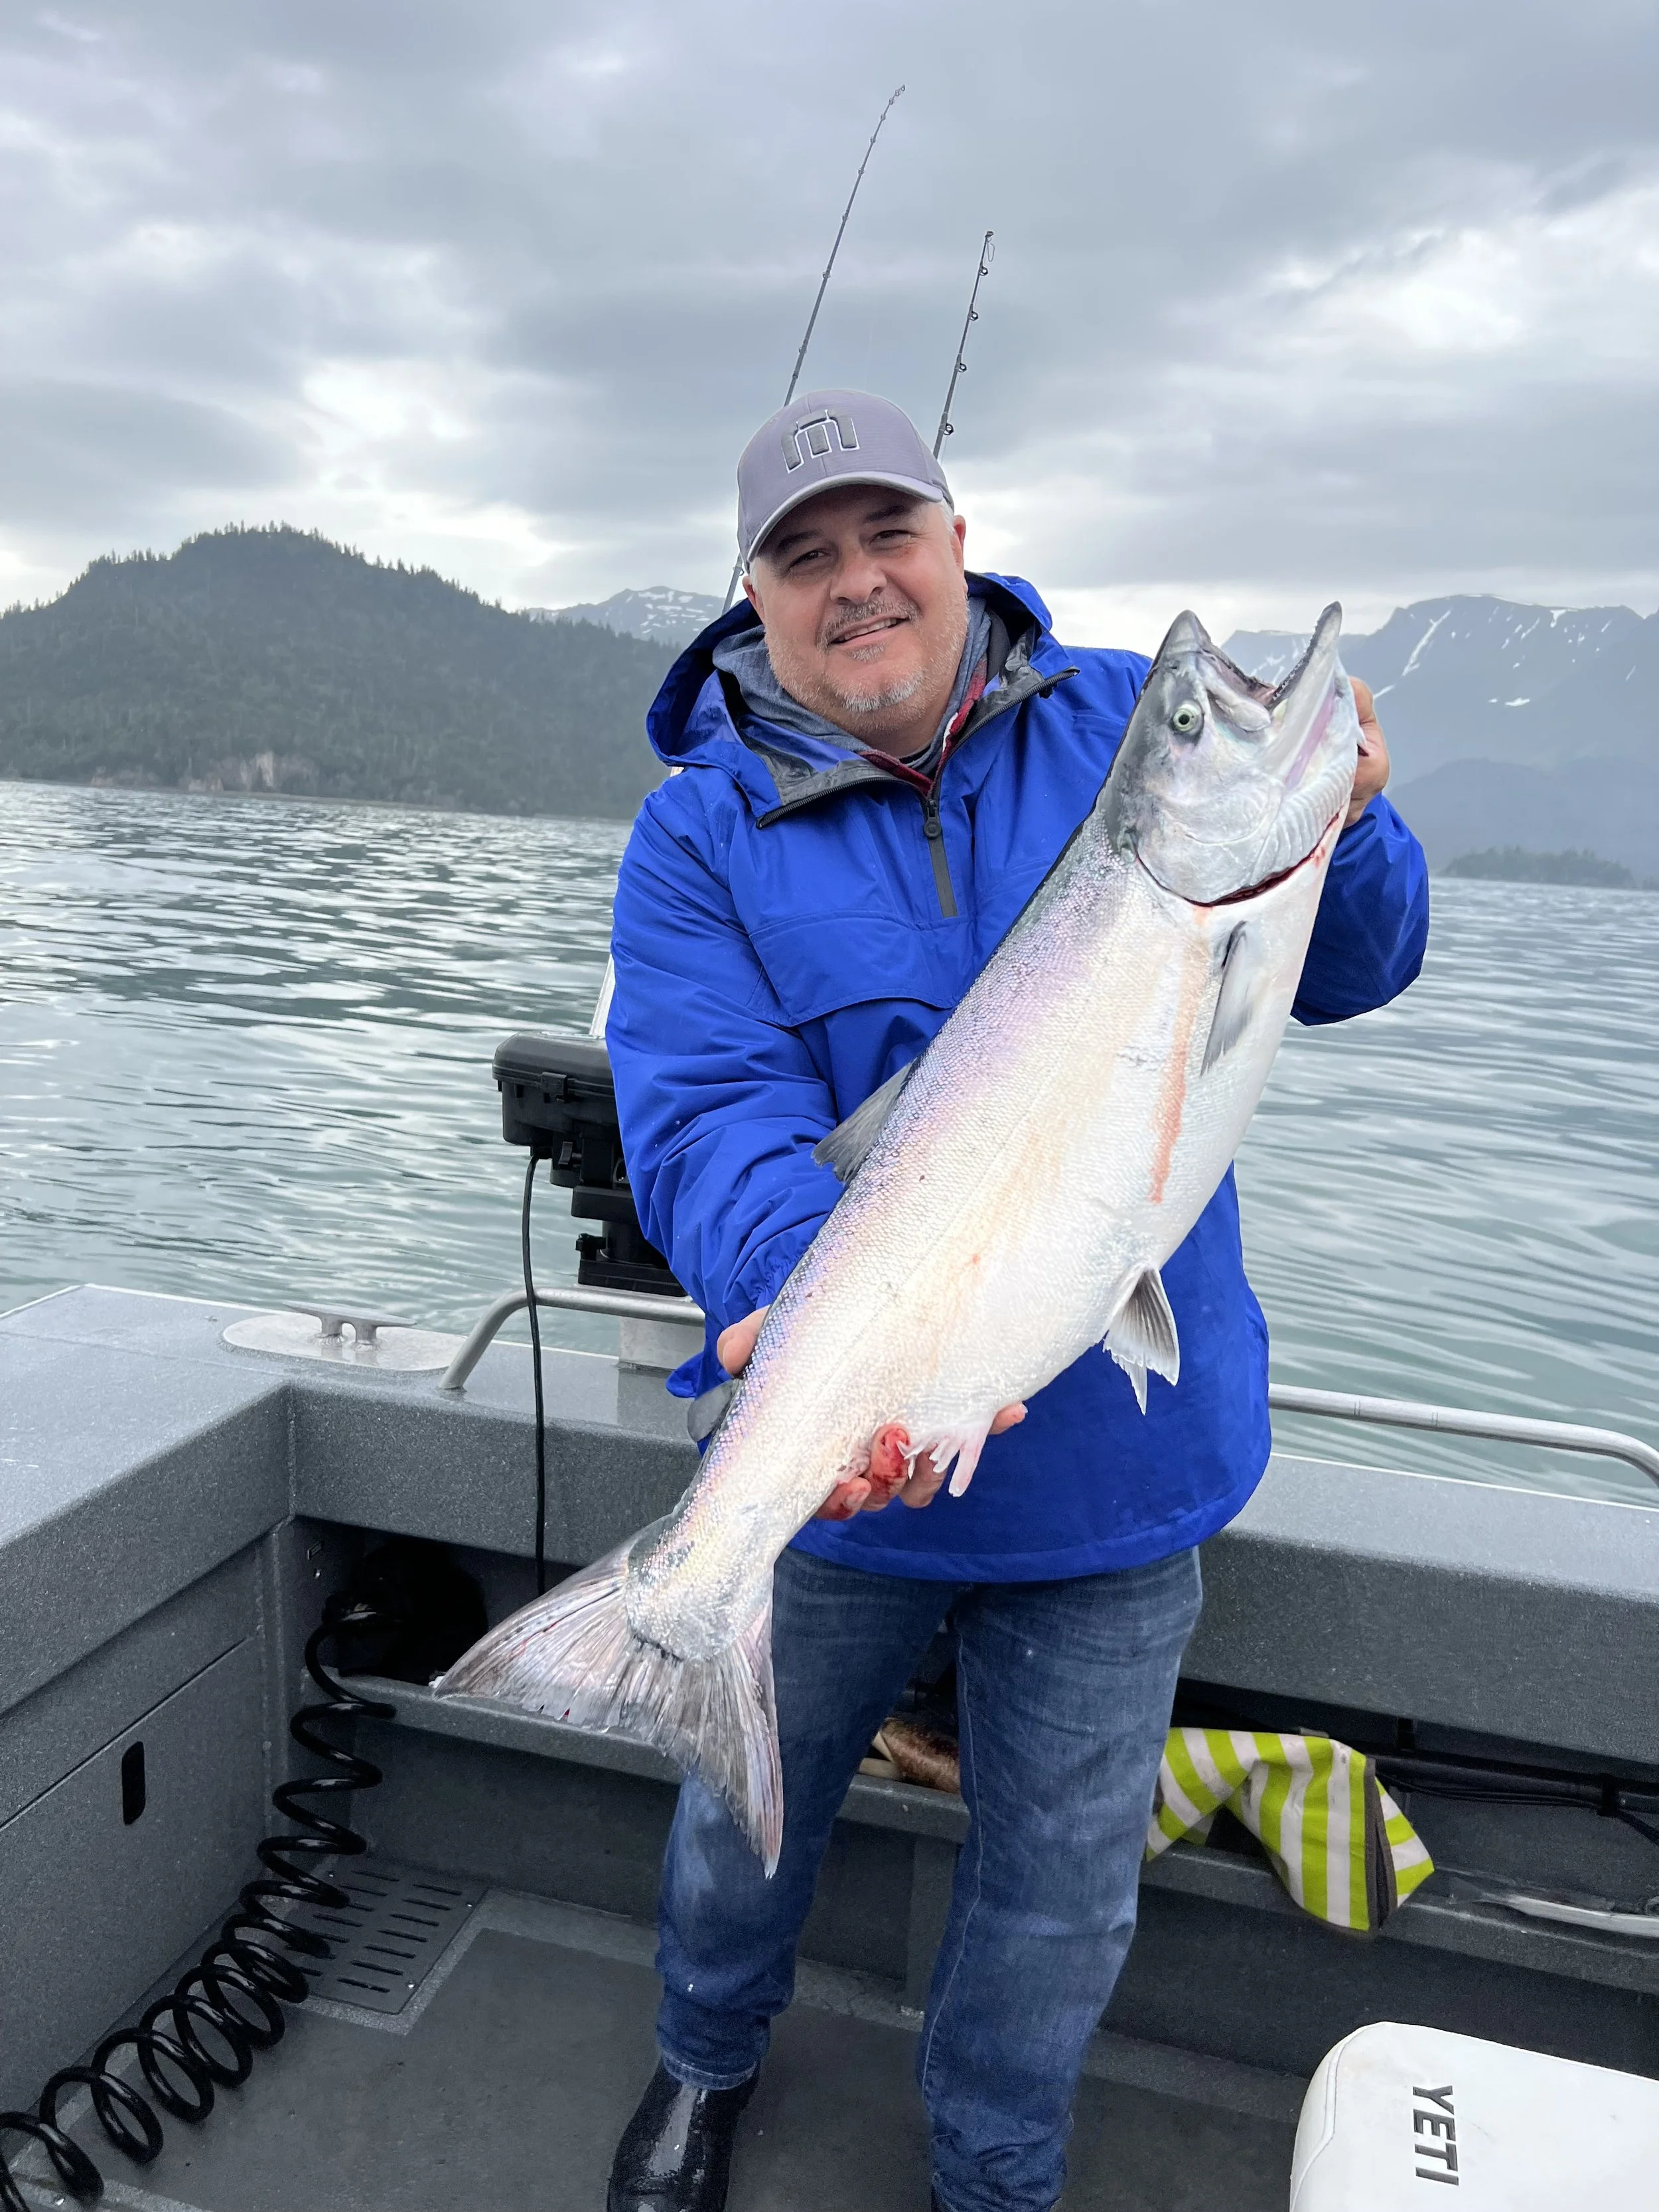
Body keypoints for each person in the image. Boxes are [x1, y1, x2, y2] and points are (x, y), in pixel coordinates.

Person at [602, 390, 1429, 2212]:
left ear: (957, 542)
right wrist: (795, 1306)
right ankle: (701, 2061)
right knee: (739, 1822)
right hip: (842, 1457)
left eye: (887, 532)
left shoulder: (1130, 725)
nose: (858, 582)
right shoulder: (697, 836)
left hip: (1120, 1467)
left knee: (1061, 1891)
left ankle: (994, 2170)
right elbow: (705, 1116)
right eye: (804, 556)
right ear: (753, 594)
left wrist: (1347, 818)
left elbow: (1358, 965)